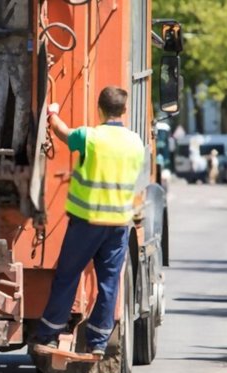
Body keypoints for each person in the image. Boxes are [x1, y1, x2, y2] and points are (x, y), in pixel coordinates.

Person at [34, 86, 145, 356]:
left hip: (87, 223)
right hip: (118, 225)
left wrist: (52, 113)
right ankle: (97, 342)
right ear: (124, 111)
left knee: (68, 276)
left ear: (99, 109)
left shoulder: (91, 137)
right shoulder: (136, 142)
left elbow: (63, 133)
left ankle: (49, 333)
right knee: (109, 283)